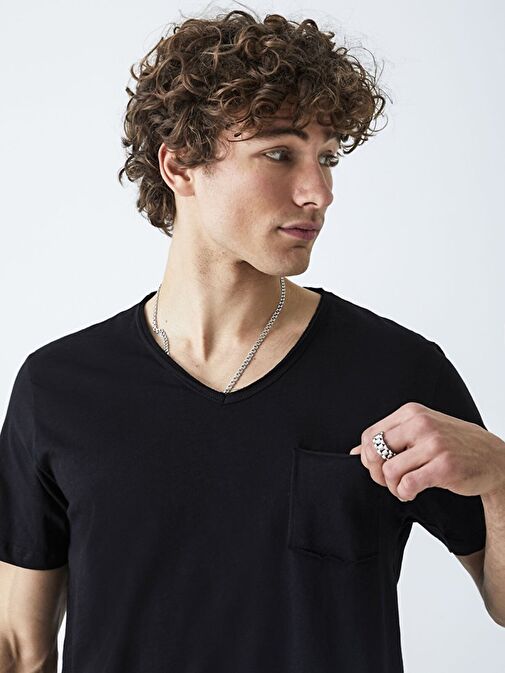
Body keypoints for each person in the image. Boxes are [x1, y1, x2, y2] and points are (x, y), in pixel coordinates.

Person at [1, 8, 504, 673]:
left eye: (327, 157)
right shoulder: (59, 387)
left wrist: (500, 475)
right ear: (180, 164)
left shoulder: (397, 371)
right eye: (279, 153)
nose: (319, 192)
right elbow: (19, 646)